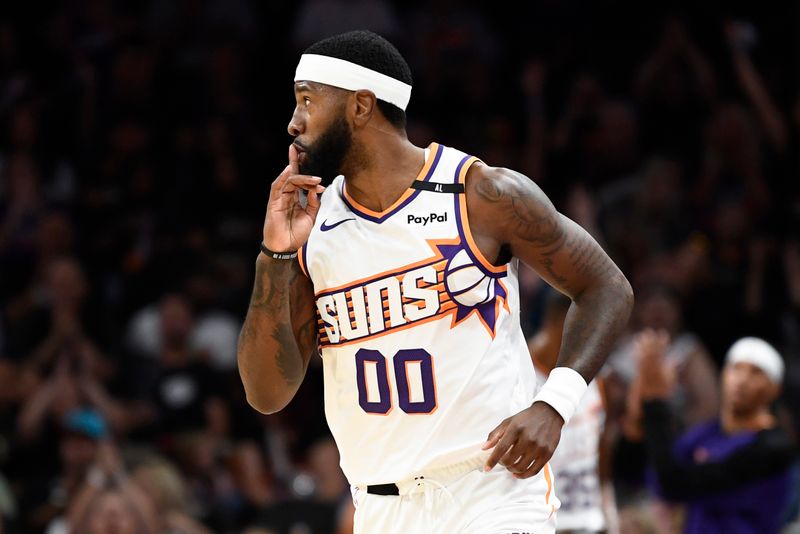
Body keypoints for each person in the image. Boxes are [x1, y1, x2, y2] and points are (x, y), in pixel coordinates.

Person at [237, 30, 633, 533]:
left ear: (360, 106)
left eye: (308, 100)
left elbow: (606, 289)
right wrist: (275, 254)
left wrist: (554, 404)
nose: (294, 122)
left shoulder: (478, 194)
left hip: (490, 492)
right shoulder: (313, 226)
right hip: (380, 508)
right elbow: (266, 394)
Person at [636, 332, 796, 534]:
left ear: (774, 389)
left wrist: (655, 401)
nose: (743, 380)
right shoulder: (706, 433)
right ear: (723, 374)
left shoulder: (773, 448)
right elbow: (660, 478)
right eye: (736, 368)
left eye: (756, 373)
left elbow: (673, 483)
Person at [528, 290, 617, 534]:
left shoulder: (597, 376)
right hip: (541, 524)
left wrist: (610, 514)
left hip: (591, 521)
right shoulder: (519, 374)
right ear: (562, 320)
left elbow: (603, 447)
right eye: (592, 326)